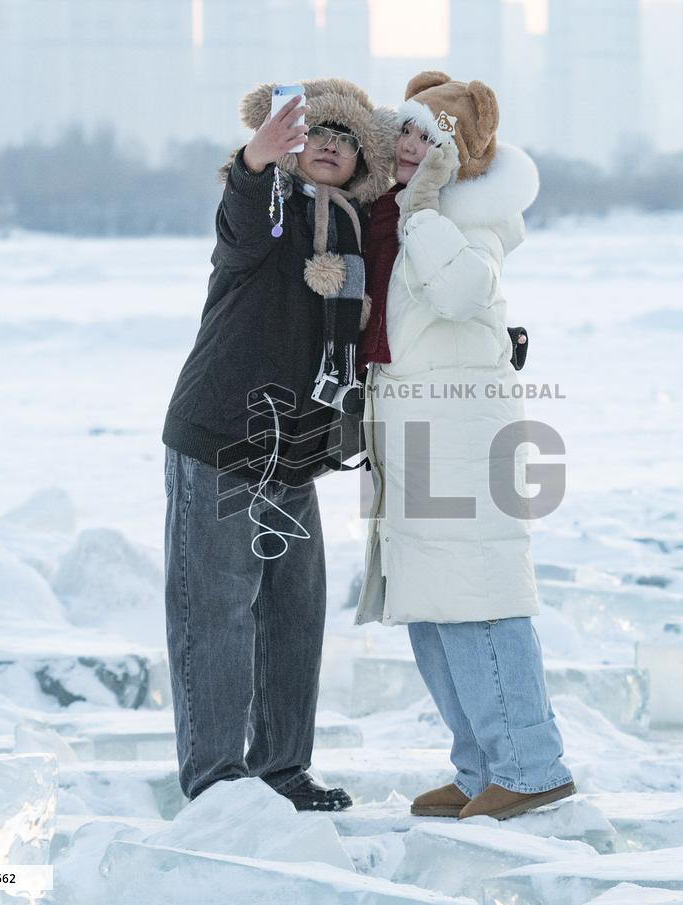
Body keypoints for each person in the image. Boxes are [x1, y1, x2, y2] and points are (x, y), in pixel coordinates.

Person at [162, 78, 395, 810]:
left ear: (361, 156)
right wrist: (254, 163)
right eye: (315, 131)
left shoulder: (354, 230)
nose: (329, 143)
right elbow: (239, 225)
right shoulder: (270, 209)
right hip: (224, 435)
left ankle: (282, 768)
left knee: (295, 610)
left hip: (293, 449)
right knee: (218, 610)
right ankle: (216, 781)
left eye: (345, 136)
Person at [355, 71, 576, 821]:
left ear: (461, 155)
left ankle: (531, 764)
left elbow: (460, 293)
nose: (413, 146)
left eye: (432, 136)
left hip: (463, 444)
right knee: (429, 606)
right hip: (415, 440)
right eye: (407, 131)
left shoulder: (466, 222)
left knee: (479, 597)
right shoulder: (403, 215)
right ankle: (481, 764)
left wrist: (420, 215)